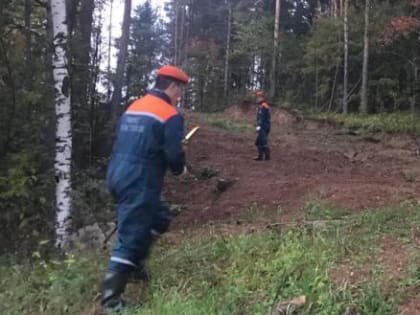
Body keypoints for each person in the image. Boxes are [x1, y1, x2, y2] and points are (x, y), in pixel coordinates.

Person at [100, 65, 189, 313]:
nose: (179, 96)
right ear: (172, 87)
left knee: (160, 216)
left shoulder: (135, 106)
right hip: (140, 179)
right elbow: (173, 153)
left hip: (117, 173)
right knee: (132, 235)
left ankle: (136, 264)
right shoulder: (169, 114)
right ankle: (112, 302)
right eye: (179, 91)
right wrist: (180, 168)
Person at [254, 91, 271, 161]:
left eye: (259, 97)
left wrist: (259, 126)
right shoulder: (263, 105)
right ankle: (261, 156)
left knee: (262, 141)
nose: (258, 99)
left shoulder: (263, 106)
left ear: (262, 98)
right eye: (257, 97)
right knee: (259, 141)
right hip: (265, 126)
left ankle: (267, 156)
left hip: (263, 126)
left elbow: (262, 117)